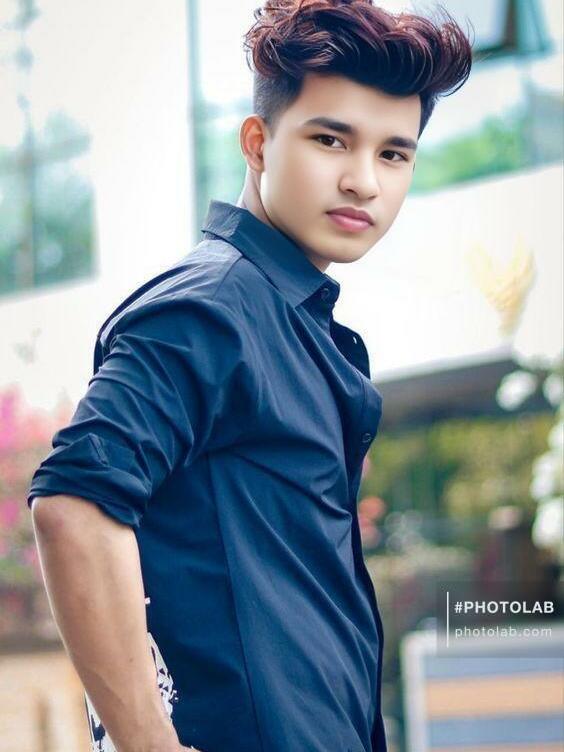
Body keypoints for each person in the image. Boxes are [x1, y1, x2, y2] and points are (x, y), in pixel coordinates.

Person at [27, 1, 473, 750]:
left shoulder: (291, 321)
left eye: (394, 154)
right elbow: (74, 505)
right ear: (258, 143)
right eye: (331, 140)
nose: (364, 181)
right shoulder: (209, 310)